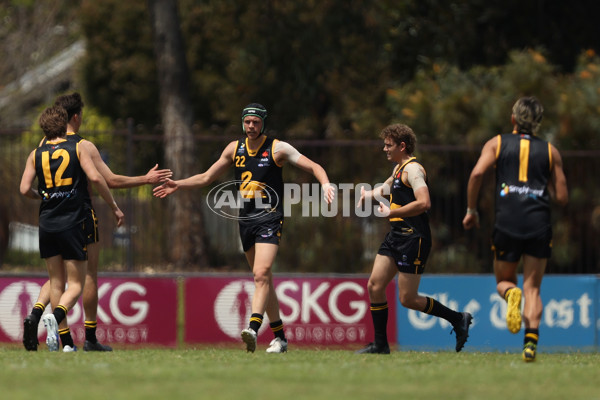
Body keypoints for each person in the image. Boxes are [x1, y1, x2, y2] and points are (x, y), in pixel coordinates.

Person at [154, 103, 335, 353]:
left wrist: (325, 184)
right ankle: (280, 338)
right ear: (243, 122)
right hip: (246, 220)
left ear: (263, 124)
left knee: (262, 273)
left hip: (270, 218)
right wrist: (178, 185)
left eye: (256, 122)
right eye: (248, 122)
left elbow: (314, 166)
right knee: (263, 279)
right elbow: (207, 177)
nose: (251, 126)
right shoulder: (234, 148)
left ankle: (252, 327)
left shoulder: (277, 148)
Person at [22, 92, 172, 352]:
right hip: (78, 217)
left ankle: (57, 332)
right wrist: (144, 181)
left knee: (56, 277)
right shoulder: (83, 145)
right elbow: (108, 179)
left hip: (48, 218)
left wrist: (43, 196)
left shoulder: (41, 145)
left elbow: (26, 187)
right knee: (86, 276)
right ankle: (89, 337)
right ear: (76, 117)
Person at [463, 96, 568, 362]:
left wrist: (471, 211)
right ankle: (530, 344)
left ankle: (511, 294)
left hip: (507, 222)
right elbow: (563, 197)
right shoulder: (550, 151)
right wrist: (545, 185)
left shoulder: (496, 143)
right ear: (538, 123)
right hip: (538, 223)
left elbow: (476, 175)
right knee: (533, 288)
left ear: (513, 119)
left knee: (504, 281)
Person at [356, 123, 473, 354]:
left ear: (402, 146)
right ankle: (380, 345)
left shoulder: (414, 170)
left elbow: (424, 203)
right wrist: (367, 194)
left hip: (414, 239)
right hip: (395, 236)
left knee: (408, 299)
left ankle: (458, 318)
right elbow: (387, 189)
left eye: (388, 145)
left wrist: (392, 212)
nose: (384, 149)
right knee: (375, 285)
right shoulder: (398, 169)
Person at [20, 105, 125, 352]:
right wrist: (114, 207)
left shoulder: (35, 153)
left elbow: (24, 189)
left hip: (46, 223)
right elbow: (97, 178)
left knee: (56, 283)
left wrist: (43, 196)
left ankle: (64, 343)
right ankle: (54, 319)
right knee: (77, 284)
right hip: (72, 221)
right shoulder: (77, 147)